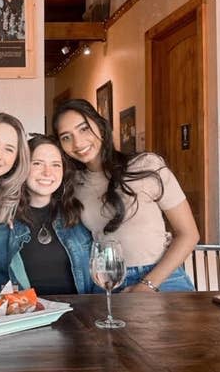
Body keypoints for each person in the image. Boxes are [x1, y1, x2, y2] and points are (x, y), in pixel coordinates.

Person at [53, 99, 199, 292]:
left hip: (162, 277)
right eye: (66, 137)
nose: (78, 143)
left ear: (101, 127)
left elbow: (189, 234)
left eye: (84, 129)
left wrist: (148, 285)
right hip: (107, 279)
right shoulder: (71, 184)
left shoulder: (146, 165)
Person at [0, 135, 99, 295]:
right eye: (37, 163)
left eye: (56, 165)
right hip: (28, 316)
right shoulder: (3, 220)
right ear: (23, 167)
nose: (47, 172)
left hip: (78, 314)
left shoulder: (78, 214)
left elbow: (98, 273)